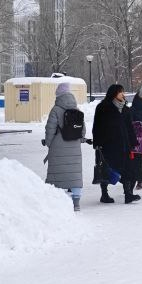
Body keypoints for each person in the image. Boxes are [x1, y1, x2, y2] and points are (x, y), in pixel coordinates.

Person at [92, 83, 140, 204]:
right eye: (120, 92)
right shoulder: (103, 107)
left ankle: (128, 194)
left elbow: (130, 127)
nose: (123, 94)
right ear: (114, 93)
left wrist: (133, 142)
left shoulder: (125, 109)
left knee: (127, 168)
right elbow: (96, 127)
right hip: (108, 145)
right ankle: (104, 194)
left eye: (123, 92)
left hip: (124, 145)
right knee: (106, 169)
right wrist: (97, 143)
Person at [42, 82, 87, 211]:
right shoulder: (76, 109)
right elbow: (82, 129)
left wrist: (50, 143)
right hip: (74, 146)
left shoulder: (56, 109)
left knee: (58, 175)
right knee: (74, 175)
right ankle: (76, 203)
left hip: (58, 146)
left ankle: (57, 203)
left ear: (58, 95)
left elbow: (50, 129)